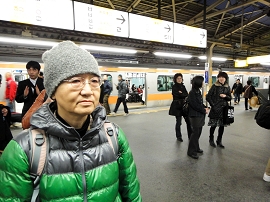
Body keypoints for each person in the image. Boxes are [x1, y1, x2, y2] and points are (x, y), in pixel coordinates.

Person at [0, 41, 141, 201]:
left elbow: (131, 193)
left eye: (94, 81)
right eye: (75, 81)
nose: (88, 91)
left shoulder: (114, 136)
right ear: (53, 91)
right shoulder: (24, 150)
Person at [206, 72, 231, 149]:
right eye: (219, 77)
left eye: (223, 77)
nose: (221, 78)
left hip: (224, 109)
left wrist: (225, 96)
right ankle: (211, 140)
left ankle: (219, 141)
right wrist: (213, 105)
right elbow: (208, 97)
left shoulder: (227, 87)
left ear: (225, 78)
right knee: (213, 125)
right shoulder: (214, 86)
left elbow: (230, 98)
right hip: (215, 109)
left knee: (222, 126)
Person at [187, 76, 209, 159]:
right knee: (195, 133)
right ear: (198, 82)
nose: (203, 83)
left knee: (198, 132)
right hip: (195, 115)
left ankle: (196, 148)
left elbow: (199, 103)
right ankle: (191, 151)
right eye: (202, 82)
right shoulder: (192, 92)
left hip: (199, 115)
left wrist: (205, 107)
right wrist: (204, 110)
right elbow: (195, 105)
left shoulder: (197, 91)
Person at [169, 73, 192, 142]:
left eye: (180, 78)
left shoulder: (183, 86)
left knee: (188, 121)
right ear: (175, 79)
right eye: (178, 78)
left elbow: (186, 95)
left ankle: (190, 135)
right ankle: (178, 136)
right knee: (178, 122)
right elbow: (176, 95)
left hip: (184, 106)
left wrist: (181, 93)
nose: (179, 80)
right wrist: (182, 94)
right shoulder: (174, 87)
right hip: (177, 107)